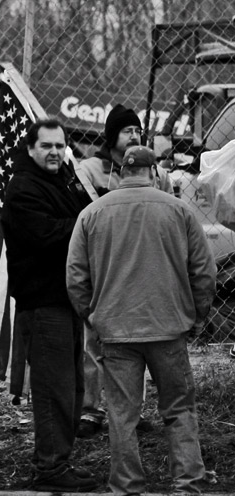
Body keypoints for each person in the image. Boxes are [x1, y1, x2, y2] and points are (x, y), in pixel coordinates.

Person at [67, 145, 216, 496]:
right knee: (179, 408)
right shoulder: (179, 211)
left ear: (120, 172)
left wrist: (93, 317)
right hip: (169, 327)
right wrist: (196, 313)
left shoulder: (92, 213)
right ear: (153, 172)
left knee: (121, 413)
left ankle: (127, 495)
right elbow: (204, 271)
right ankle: (186, 488)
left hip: (116, 331)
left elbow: (75, 277)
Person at [1, 118, 97, 492]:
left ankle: (60, 461)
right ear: (30, 149)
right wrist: (89, 221)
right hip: (43, 305)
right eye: (47, 146)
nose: (55, 152)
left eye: (60, 145)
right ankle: (50, 468)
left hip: (66, 301)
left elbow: (80, 215)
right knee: (54, 388)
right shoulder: (23, 189)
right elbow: (48, 235)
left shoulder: (60, 181)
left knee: (72, 388)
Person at [75, 104, 173, 438]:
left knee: (136, 344)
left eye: (137, 131)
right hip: (104, 267)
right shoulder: (90, 170)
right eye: (127, 130)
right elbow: (84, 216)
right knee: (94, 341)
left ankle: (131, 410)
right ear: (111, 135)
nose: (134, 135)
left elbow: (171, 211)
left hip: (143, 267)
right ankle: (91, 409)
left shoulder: (156, 174)